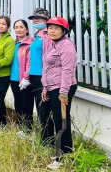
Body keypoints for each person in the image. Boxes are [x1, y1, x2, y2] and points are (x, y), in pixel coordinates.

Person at [41, 17, 77, 169]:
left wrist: (63, 94)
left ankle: (63, 156)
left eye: (56, 28)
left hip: (62, 88)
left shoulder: (66, 46)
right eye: (50, 28)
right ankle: (62, 152)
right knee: (57, 120)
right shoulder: (54, 45)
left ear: (64, 31)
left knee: (61, 122)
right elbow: (48, 68)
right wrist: (45, 88)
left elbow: (68, 70)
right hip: (52, 87)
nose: (52, 31)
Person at [9, 19, 34, 132]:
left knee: (26, 105)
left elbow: (30, 62)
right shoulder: (14, 43)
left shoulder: (30, 43)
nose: (18, 29)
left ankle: (28, 129)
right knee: (18, 103)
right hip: (14, 79)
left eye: (21, 27)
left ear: (27, 29)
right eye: (16, 27)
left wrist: (26, 77)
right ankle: (21, 127)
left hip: (24, 80)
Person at [27, 8, 51, 123]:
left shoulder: (47, 36)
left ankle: (47, 136)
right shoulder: (37, 35)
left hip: (43, 76)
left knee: (43, 107)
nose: (35, 20)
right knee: (39, 105)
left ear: (46, 20)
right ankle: (44, 134)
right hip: (34, 75)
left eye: (39, 18)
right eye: (34, 18)